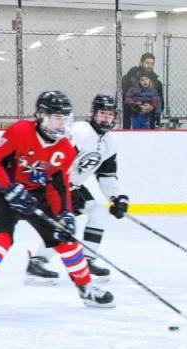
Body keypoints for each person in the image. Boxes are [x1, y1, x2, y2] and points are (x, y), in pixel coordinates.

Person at [0, 91, 115, 321]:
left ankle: (86, 288)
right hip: (5, 193)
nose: (61, 124)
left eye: (65, 118)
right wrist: (10, 188)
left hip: (38, 195)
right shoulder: (19, 131)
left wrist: (65, 214)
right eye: (55, 118)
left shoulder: (65, 148)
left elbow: (58, 186)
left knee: (66, 239)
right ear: (41, 116)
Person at [25, 94, 129, 285]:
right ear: (93, 114)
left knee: (98, 212)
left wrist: (117, 197)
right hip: (56, 186)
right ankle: (37, 262)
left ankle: (87, 260)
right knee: (65, 224)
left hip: (74, 188)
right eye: (102, 114)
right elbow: (59, 158)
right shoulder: (80, 131)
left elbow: (106, 174)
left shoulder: (110, 142)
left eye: (109, 114)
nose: (106, 118)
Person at [121, 52, 164, 129]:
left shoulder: (157, 83)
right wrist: (136, 106)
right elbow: (122, 98)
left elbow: (160, 102)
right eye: (147, 63)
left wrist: (152, 107)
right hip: (131, 118)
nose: (150, 66)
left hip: (149, 120)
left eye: (152, 64)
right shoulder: (128, 79)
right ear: (141, 63)